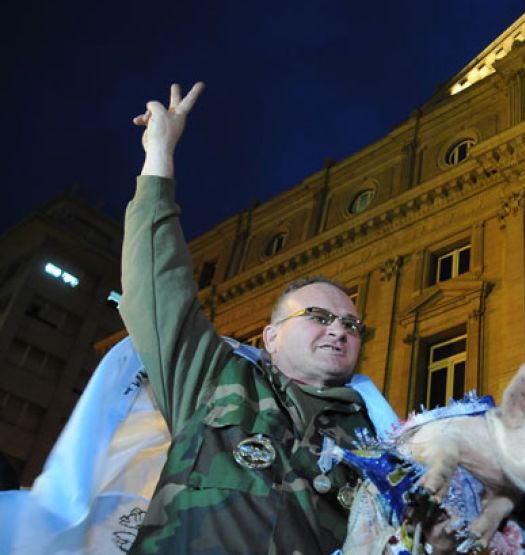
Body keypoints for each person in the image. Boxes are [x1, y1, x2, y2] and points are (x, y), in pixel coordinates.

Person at [122, 82, 398, 553]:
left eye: (351, 325)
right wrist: (160, 153)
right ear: (271, 336)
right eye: (318, 316)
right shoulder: (212, 379)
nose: (339, 329)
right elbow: (156, 281)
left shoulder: (378, 445)